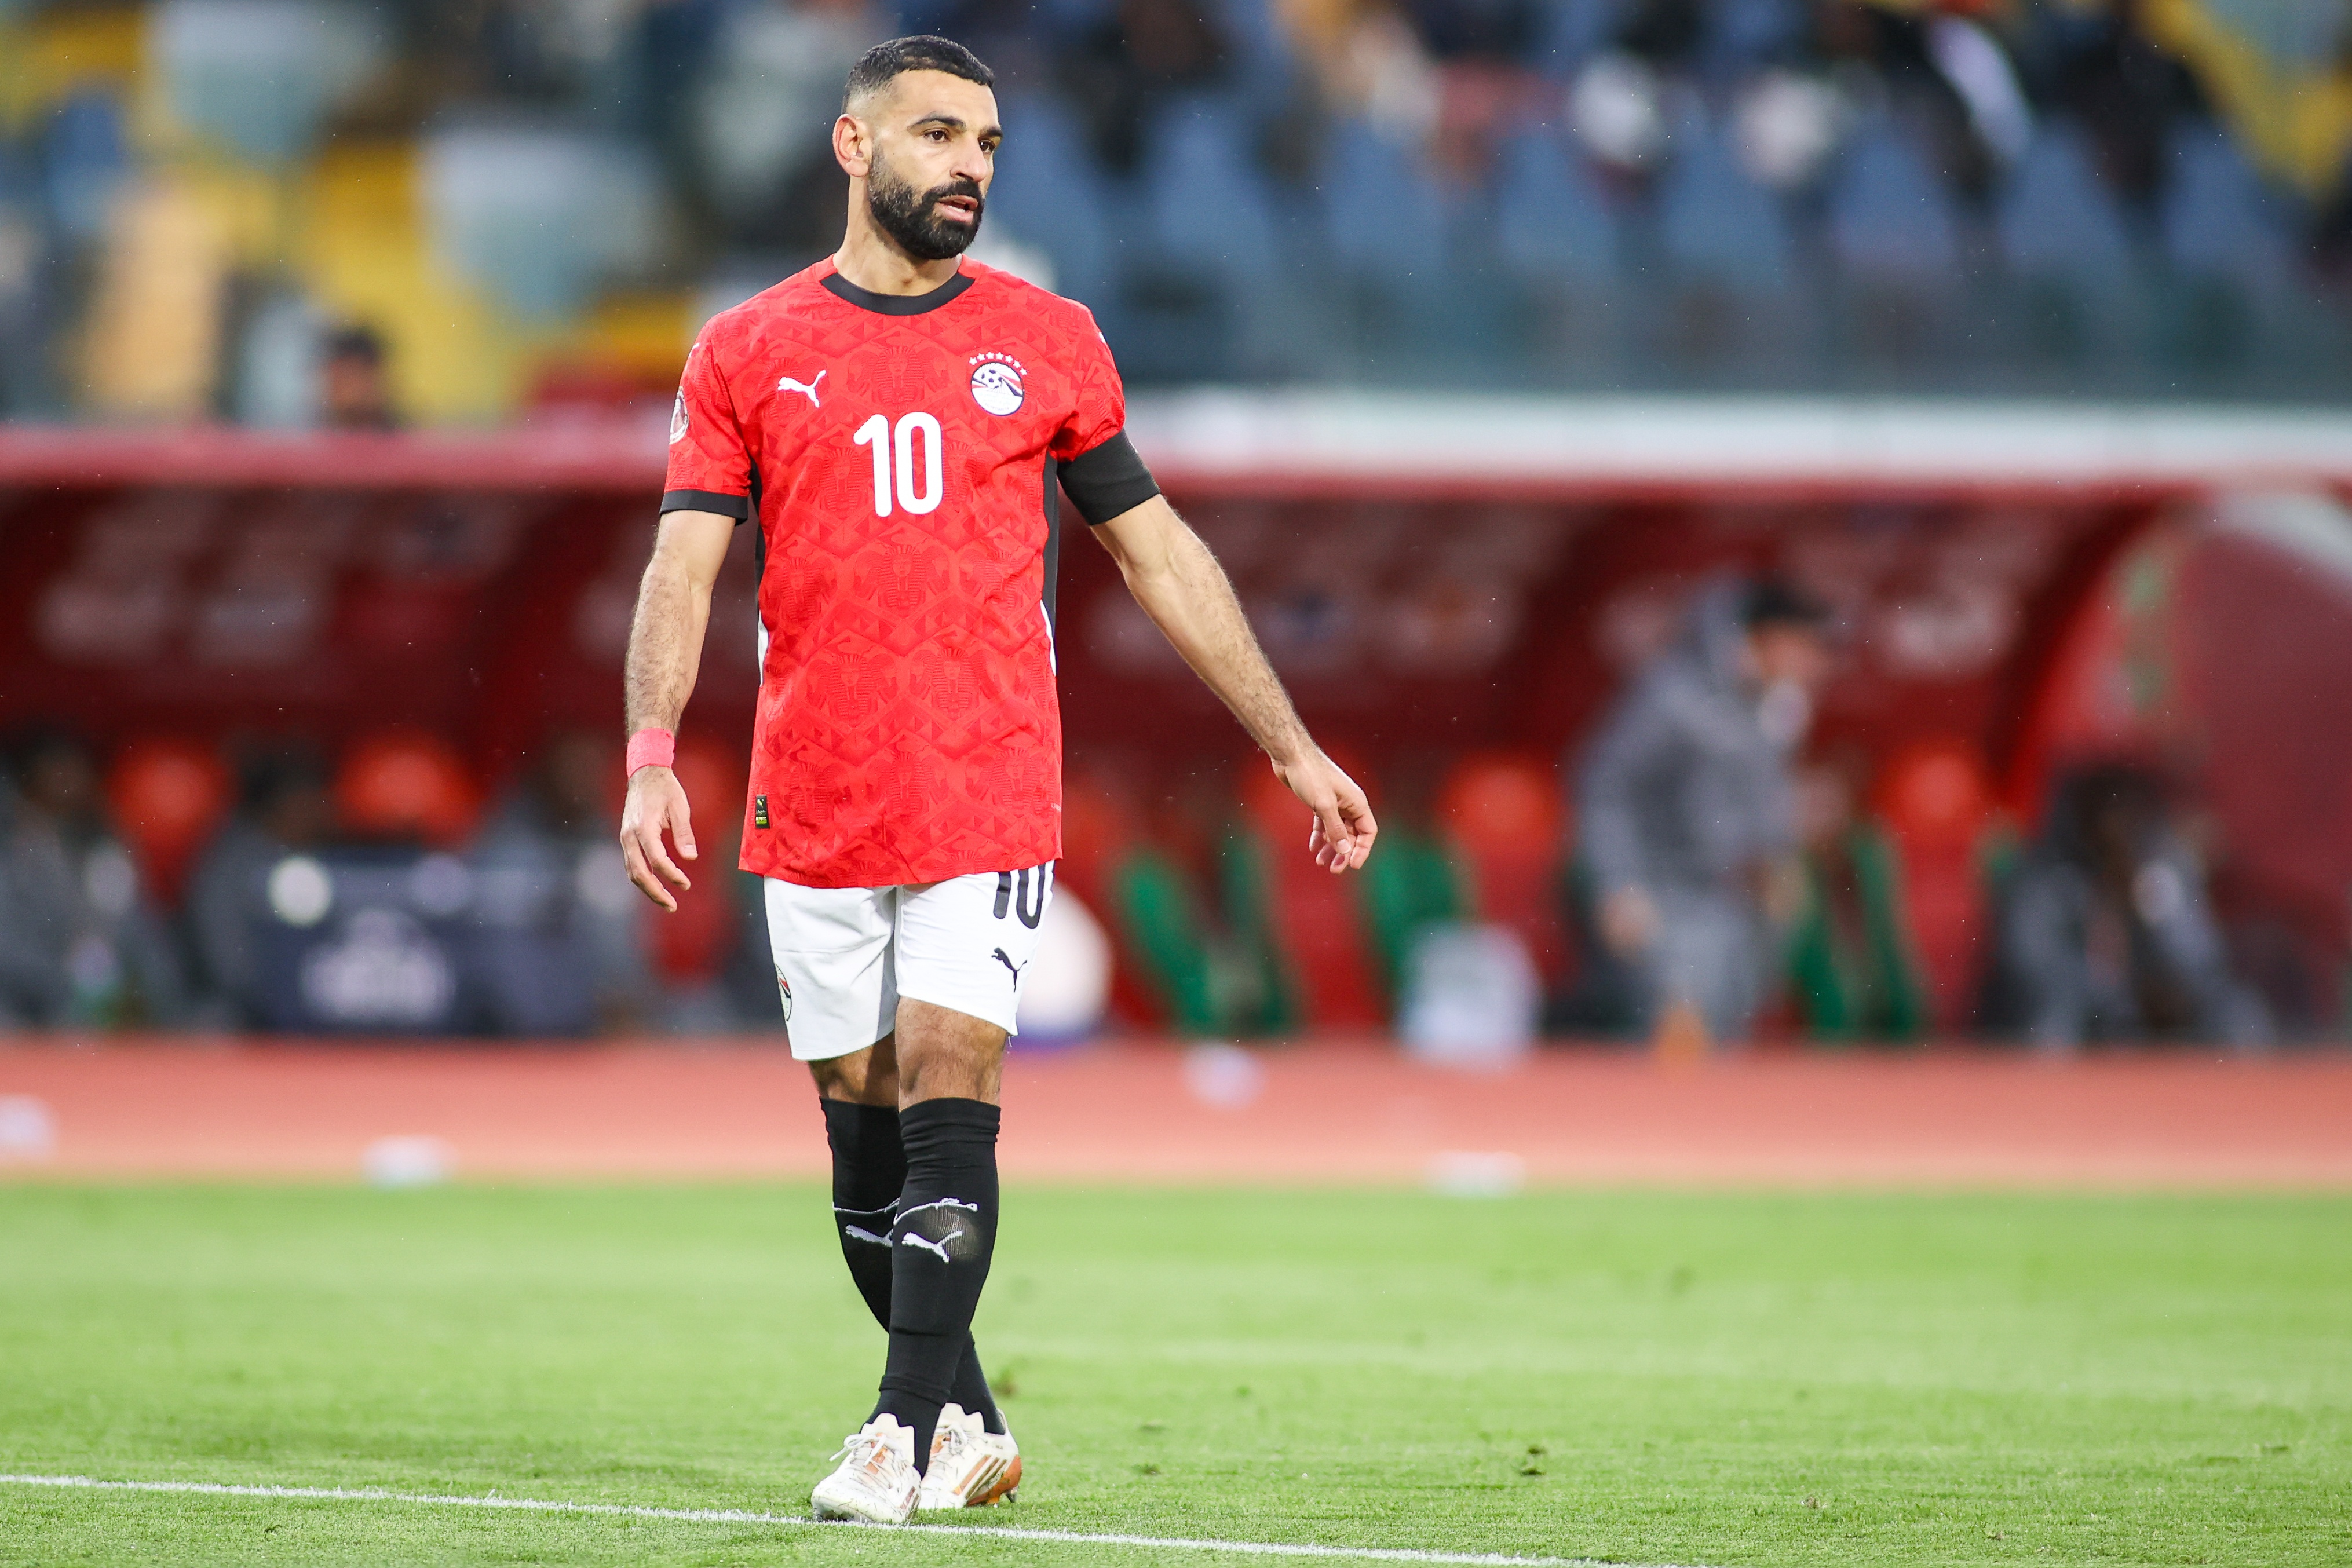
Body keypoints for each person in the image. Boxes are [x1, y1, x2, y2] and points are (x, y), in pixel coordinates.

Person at [616, 35, 1376, 1527]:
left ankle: (893, 1434)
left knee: (949, 1077)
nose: (968, 165)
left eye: (986, 143)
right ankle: (963, 1417)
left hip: (986, 778)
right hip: (813, 791)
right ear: (854, 146)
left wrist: (1290, 743)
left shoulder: (1049, 337)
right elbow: (680, 568)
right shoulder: (747, 348)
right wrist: (650, 755)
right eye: (938, 135)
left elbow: (1158, 554)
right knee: (861, 1142)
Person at [1577, 576, 1831, 1045]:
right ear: (1766, 638)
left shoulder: (1776, 704)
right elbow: (1606, 790)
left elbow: (1761, 794)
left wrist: (1776, 858)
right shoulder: (1674, 697)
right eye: (1804, 645)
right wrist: (1618, 884)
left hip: (1735, 902)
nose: (1814, 662)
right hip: (1668, 898)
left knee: (1726, 1040)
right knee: (1675, 1044)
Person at [1989, 763, 2266, 1052]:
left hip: (2159, 1008)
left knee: (2239, 1015)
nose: (2116, 819)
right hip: (2090, 1015)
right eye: (2105, 803)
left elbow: (2199, 959)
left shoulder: (2163, 871)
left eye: (2126, 802)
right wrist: (2114, 995)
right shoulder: (2049, 878)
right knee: (2057, 1019)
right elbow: (2034, 968)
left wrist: (2143, 905)